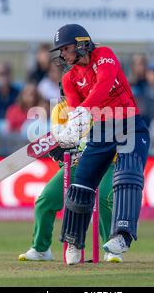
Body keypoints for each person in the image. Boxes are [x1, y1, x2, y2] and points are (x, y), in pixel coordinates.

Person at [49, 24, 150, 265]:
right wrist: (70, 134)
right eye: (60, 50)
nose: (63, 54)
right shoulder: (69, 78)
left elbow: (103, 85)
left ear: (82, 43)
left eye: (66, 48)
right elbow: (76, 113)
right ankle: (73, 240)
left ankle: (122, 236)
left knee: (127, 177)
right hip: (101, 131)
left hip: (130, 126)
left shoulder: (104, 55)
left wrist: (83, 111)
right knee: (80, 184)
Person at [18, 101, 121, 263]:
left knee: (103, 200)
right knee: (45, 201)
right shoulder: (60, 109)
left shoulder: (102, 104)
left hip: (106, 163)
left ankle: (111, 250)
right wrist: (60, 152)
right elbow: (62, 142)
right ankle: (41, 249)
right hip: (76, 166)